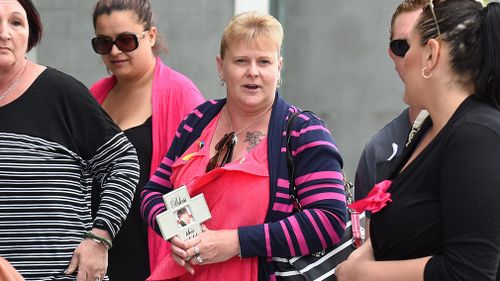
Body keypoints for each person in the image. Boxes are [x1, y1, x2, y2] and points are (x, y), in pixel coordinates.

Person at [140, 11, 347, 281]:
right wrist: (179, 231)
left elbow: (329, 219)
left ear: (278, 67)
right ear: (221, 66)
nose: (253, 72)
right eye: (241, 61)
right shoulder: (197, 121)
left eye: (264, 61)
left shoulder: (302, 132)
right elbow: (153, 193)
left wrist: (236, 243)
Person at [337, 0, 500, 280]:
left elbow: (469, 272)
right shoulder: (429, 127)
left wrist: (363, 273)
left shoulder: (476, 135)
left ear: (431, 55)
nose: (401, 60)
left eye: (408, 46)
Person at [0, 0, 140, 280]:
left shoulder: (60, 93)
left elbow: (123, 161)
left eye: (16, 22)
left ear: (30, 34)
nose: (4, 33)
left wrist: (100, 237)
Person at [89, 0, 205, 280]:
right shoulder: (94, 96)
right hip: (100, 252)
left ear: (150, 36)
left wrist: (187, 250)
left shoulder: (182, 95)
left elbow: (198, 184)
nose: (115, 51)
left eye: (126, 40)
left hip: (155, 253)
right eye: (104, 43)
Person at [354, 0, 427, 203]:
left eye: (423, 42)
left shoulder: (480, 128)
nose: (412, 56)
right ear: (392, 56)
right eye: (401, 46)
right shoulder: (378, 151)